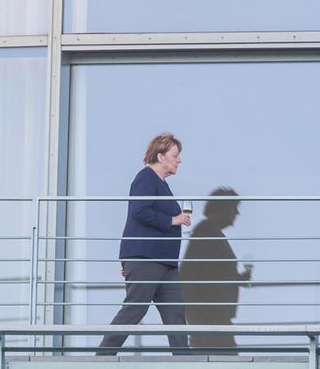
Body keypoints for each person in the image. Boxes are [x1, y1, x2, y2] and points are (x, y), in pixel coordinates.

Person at [97, 132, 192, 355]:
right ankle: (102, 357)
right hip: (147, 259)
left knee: (175, 314)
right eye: (175, 155)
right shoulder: (146, 177)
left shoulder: (162, 184)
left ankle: (185, 361)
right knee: (135, 309)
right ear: (160, 156)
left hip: (165, 264)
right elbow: (139, 211)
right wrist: (173, 220)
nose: (179, 160)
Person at [180, 187, 252, 349]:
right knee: (224, 353)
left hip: (211, 311)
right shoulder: (207, 232)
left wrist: (237, 279)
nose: (237, 213)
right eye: (234, 208)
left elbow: (211, 271)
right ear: (222, 209)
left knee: (208, 352)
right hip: (208, 312)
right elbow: (194, 271)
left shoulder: (210, 232)